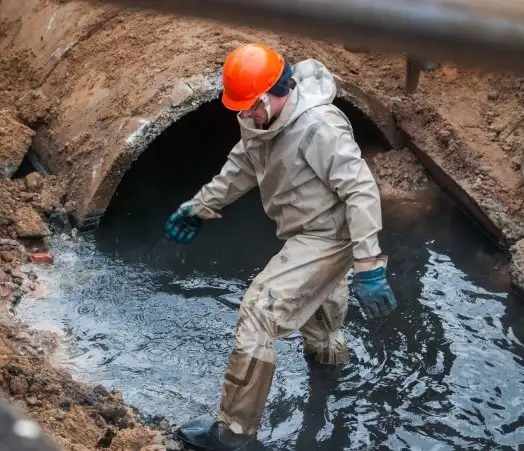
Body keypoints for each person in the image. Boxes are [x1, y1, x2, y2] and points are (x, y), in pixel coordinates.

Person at [164, 43, 397, 451]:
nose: (245, 116)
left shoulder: (319, 127)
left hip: (327, 236)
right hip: (301, 231)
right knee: (321, 325)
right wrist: (200, 207)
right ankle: (332, 382)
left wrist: (369, 264)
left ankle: (233, 434)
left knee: (259, 313)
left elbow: (361, 190)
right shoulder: (258, 119)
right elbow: (243, 163)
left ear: (277, 91)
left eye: (251, 106)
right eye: (239, 109)